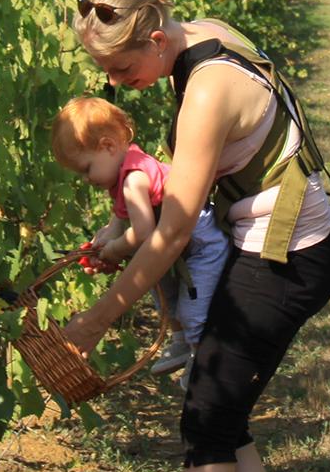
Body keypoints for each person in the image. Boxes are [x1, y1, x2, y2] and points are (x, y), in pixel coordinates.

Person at [57, 0, 330, 472]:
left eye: (123, 69)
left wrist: (95, 322)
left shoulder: (205, 90)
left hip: (288, 251)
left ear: (155, 38)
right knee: (223, 415)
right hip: (272, 234)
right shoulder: (203, 33)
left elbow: (173, 231)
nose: (120, 85)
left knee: (207, 417)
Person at [50, 96, 230, 382]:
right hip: (183, 243)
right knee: (159, 286)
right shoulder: (124, 172)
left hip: (204, 245)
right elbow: (117, 222)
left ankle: (202, 358)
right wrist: (103, 242)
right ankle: (182, 341)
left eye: (86, 169)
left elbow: (142, 233)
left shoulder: (134, 180)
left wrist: (115, 250)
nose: (85, 179)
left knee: (193, 308)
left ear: (107, 146)